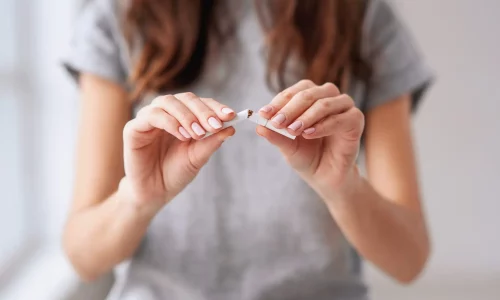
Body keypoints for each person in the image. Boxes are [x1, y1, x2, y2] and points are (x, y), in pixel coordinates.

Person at [62, 0, 434, 299]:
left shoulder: (364, 17)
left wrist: (342, 187)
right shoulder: (120, 16)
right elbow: (84, 257)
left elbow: (409, 260)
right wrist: (138, 200)